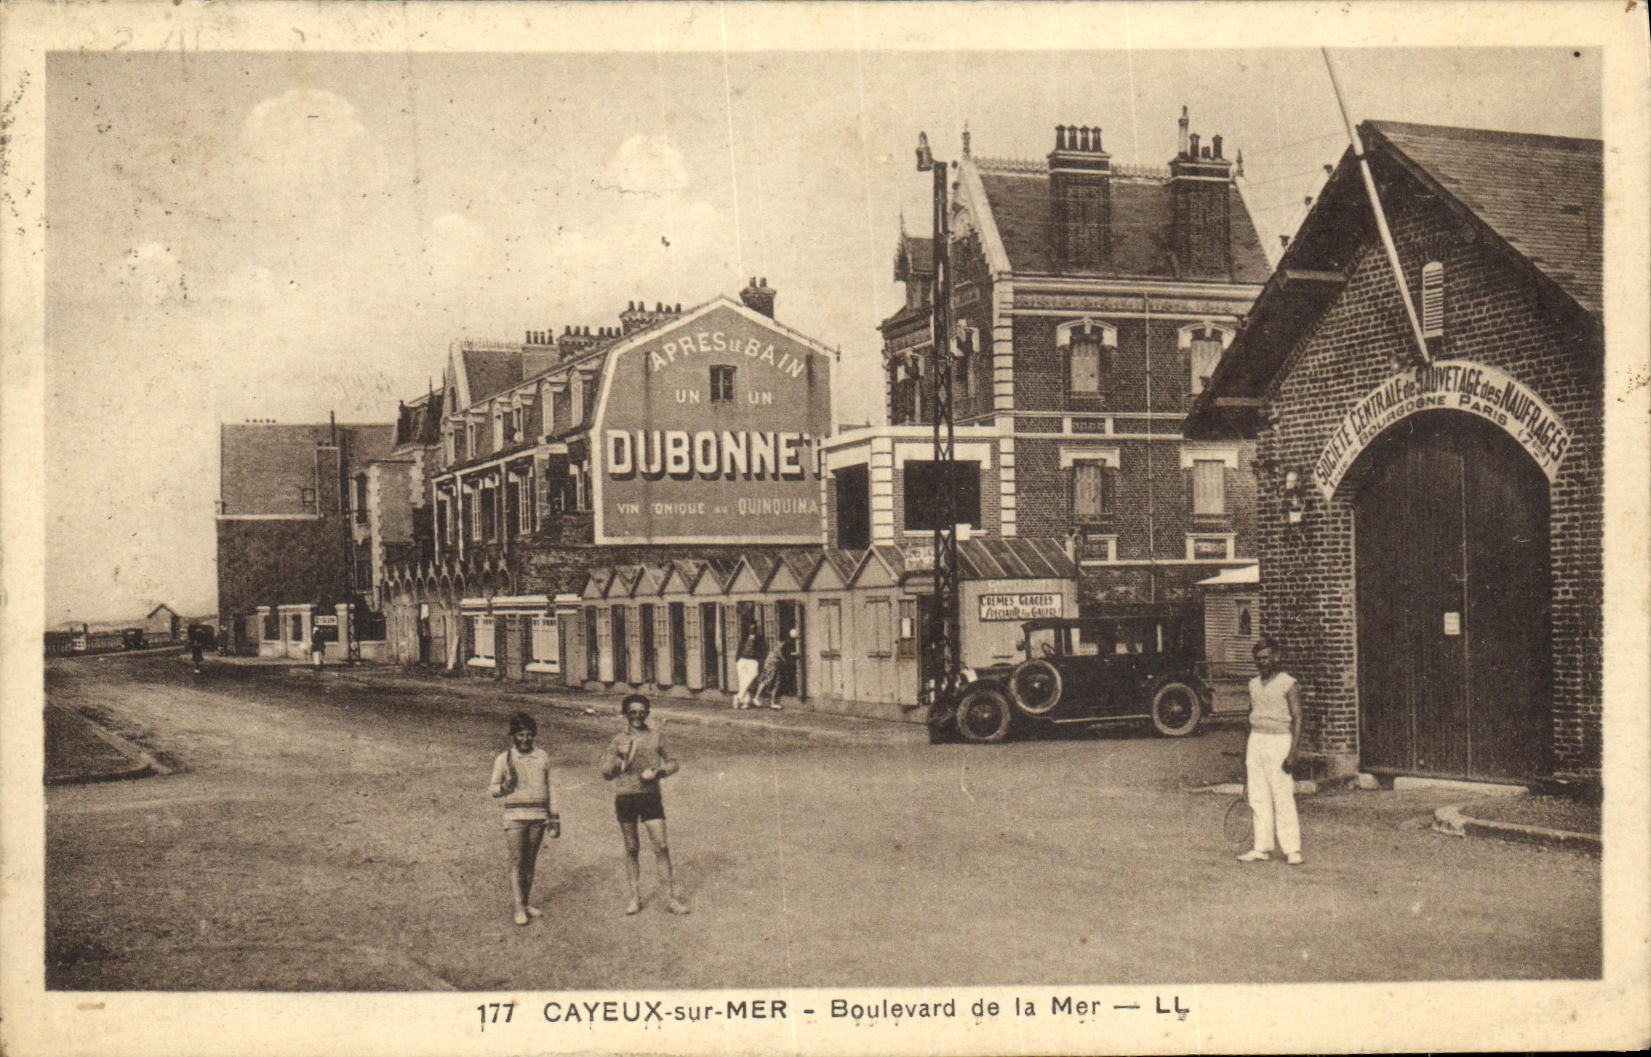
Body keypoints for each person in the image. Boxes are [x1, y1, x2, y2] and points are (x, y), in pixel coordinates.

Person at [600, 695, 688, 916]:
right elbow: (606, 773)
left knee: (661, 846)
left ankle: (670, 899)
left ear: (647, 714)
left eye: (642, 712)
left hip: (650, 797)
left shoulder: (656, 737)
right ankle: (634, 898)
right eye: (633, 712)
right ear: (625, 714)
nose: (637, 716)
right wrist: (619, 760)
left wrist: (660, 772)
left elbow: (674, 762)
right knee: (632, 848)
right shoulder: (618, 740)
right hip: (626, 797)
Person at [1238, 636, 1304, 866]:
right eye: (1257, 659)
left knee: (1282, 795)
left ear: (1276, 658)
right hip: (1257, 740)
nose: (1262, 663)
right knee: (1258, 796)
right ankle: (1261, 847)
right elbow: (1249, 717)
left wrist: (1293, 751)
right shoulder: (1253, 684)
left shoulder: (1288, 683)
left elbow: (1297, 717)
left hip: (1279, 742)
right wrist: (1246, 749)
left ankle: (1292, 849)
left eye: (1266, 658)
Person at [489, 712, 559, 925]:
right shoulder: (504, 759)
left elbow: (551, 788)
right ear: (513, 736)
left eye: (529, 735)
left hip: (538, 816)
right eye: (520, 735)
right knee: (517, 861)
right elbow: (492, 789)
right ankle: (518, 907)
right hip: (515, 816)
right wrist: (504, 788)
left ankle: (526, 903)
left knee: (530, 861)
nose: (525, 739)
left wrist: (554, 817)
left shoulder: (542, 757)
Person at [753, 628, 796, 710]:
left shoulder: (782, 646)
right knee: (767, 680)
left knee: (777, 682)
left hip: (777, 665)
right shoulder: (778, 647)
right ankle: (756, 697)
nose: (782, 643)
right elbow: (782, 656)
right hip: (772, 664)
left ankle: (773, 702)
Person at [732, 627, 764, 709]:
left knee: (754, 674)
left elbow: (762, 650)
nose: (752, 629)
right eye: (750, 628)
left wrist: (759, 660)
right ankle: (746, 702)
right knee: (743, 681)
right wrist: (737, 660)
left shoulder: (759, 639)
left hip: (753, 660)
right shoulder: (744, 638)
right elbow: (740, 648)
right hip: (742, 660)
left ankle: (738, 696)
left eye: (753, 628)